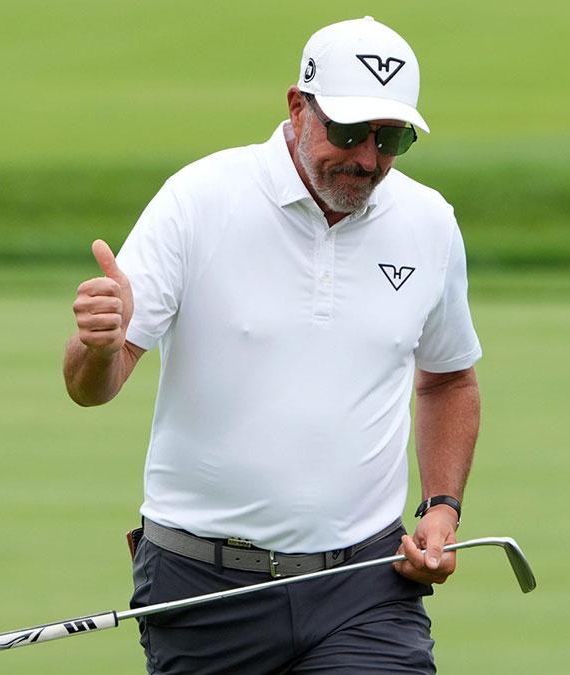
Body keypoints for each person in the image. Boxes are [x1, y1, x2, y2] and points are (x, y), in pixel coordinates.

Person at [63, 16, 481, 674]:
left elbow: (449, 379)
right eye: (349, 132)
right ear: (297, 107)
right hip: (203, 586)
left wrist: (441, 507)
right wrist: (98, 346)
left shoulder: (428, 222)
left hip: (365, 586)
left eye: (391, 138)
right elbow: (95, 386)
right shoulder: (200, 200)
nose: (368, 159)